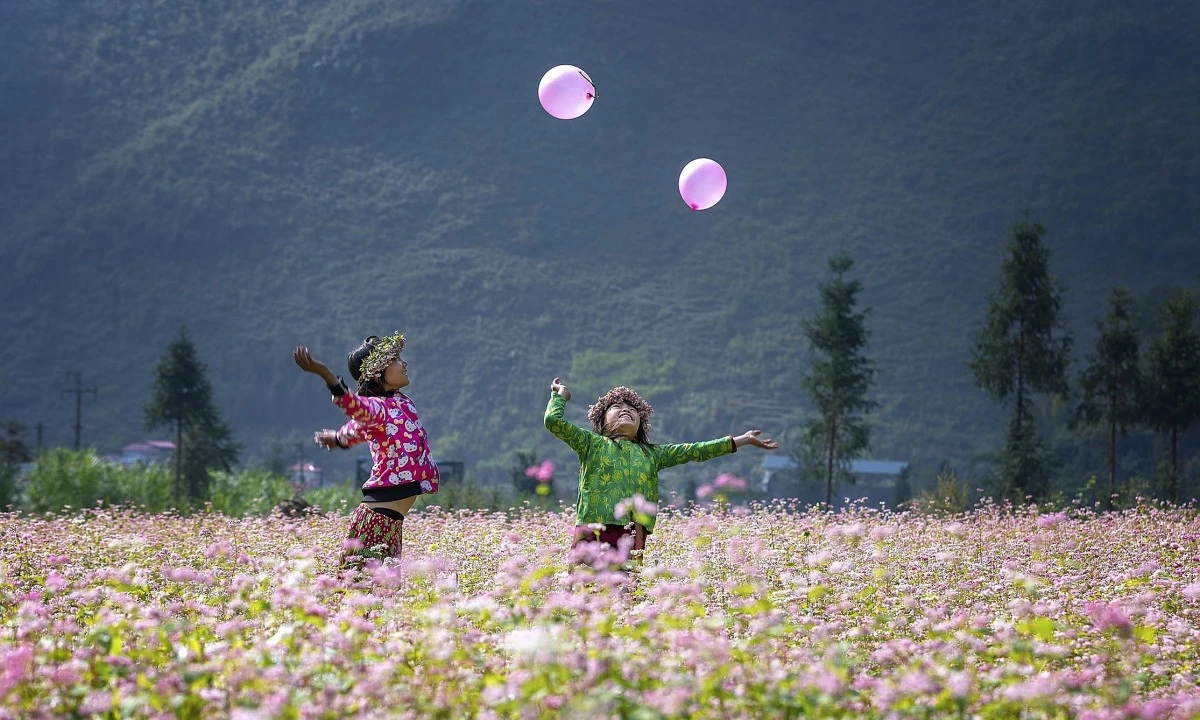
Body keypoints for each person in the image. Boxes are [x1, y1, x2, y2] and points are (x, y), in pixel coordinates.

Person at [544, 377, 778, 565]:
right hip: (592, 529)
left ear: (640, 425)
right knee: (585, 597)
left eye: (632, 409)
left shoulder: (652, 454)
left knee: (624, 600)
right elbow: (553, 421)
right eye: (616, 407)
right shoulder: (591, 444)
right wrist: (560, 396)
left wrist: (742, 440)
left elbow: (696, 450)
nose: (626, 410)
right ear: (602, 421)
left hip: (633, 534)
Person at [293, 332, 438, 565]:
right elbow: (356, 408)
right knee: (364, 589)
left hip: (390, 521)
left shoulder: (401, 403)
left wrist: (339, 438)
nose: (404, 363)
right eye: (395, 360)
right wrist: (326, 374)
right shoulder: (378, 408)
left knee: (380, 591)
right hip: (377, 519)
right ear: (378, 373)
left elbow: (361, 427)